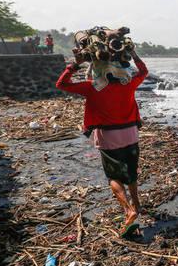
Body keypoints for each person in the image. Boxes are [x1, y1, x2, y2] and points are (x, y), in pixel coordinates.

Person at [56, 49, 148, 238]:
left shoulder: (92, 87)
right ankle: (137, 204)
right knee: (131, 172)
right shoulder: (128, 84)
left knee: (114, 177)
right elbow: (143, 71)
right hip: (130, 134)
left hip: (108, 137)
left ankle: (129, 210)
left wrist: (76, 64)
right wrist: (134, 53)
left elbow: (62, 84)